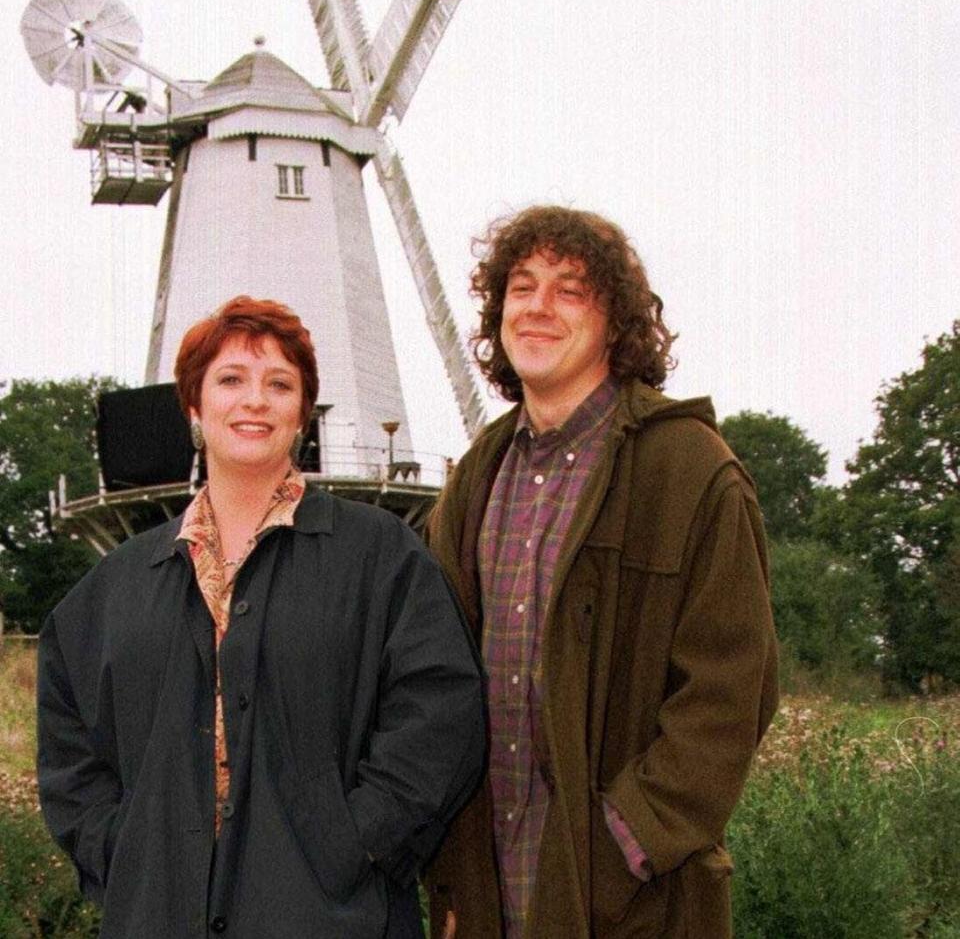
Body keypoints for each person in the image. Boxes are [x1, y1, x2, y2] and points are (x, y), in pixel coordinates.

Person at [37, 296, 485, 938]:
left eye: (280, 384)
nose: (254, 400)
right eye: (230, 380)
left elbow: (440, 711)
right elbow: (66, 736)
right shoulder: (116, 586)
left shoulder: (380, 556)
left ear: (304, 413)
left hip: (328, 917)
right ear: (194, 405)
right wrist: (122, 850)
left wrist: (355, 841)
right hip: (159, 916)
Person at [424, 206, 779, 938]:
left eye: (569, 289)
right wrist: (449, 871)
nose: (538, 308)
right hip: (490, 894)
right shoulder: (475, 479)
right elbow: (430, 685)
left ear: (615, 320)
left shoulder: (689, 470)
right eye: (521, 288)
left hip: (632, 903)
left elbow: (732, 690)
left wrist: (626, 842)